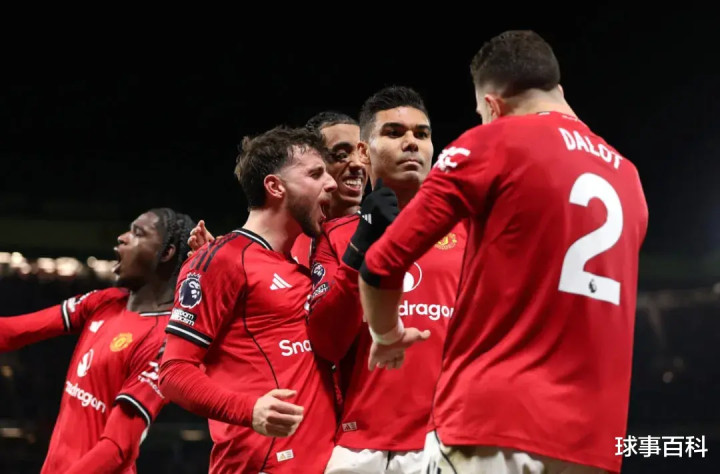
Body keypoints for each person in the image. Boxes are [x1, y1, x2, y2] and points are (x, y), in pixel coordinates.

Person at [359, 30, 649, 474]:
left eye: (481, 114)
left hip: (494, 425)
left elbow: (381, 264)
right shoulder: (629, 178)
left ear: (492, 106)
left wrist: (387, 336)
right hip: (595, 442)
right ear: (558, 90)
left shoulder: (493, 142)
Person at [158, 126, 339, 473]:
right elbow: (173, 373)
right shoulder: (221, 260)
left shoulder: (299, 264)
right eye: (316, 174)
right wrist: (250, 410)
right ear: (275, 186)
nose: (330, 183)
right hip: (258, 465)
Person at [308, 86, 466, 474]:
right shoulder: (338, 237)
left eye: (421, 134)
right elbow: (326, 342)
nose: (411, 143)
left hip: (453, 439)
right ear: (364, 152)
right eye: (394, 133)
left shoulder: (469, 231)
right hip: (363, 446)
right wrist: (365, 238)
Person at [0, 208, 196, 473]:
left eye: (138, 233)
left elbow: (117, 448)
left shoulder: (163, 341)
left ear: (166, 252)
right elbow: (13, 332)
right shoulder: (104, 302)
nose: (122, 237)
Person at [187, 111, 368, 267]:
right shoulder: (283, 238)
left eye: (363, 153)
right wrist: (222, 263)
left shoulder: (379, 232)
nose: (359, 164)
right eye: (341, 155)